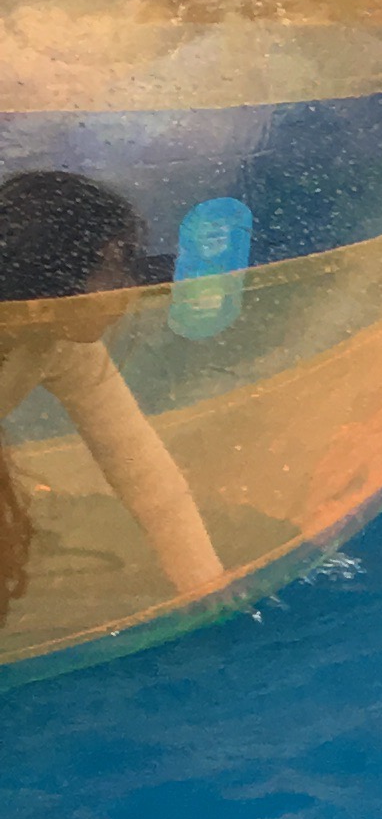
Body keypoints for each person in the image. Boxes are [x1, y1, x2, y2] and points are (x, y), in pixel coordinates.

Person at [0, 170, 223, 629]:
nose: (128, 286)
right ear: (48, 287)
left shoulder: (60, 344)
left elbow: (139, 466)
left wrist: (205, 585)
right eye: (113, 268)